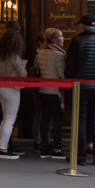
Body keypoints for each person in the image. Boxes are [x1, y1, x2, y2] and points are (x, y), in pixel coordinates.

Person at [65, 14, 95, 167]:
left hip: (81, 86)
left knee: (80, 120)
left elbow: (70, 68)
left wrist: (69, 82)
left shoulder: (77, 42)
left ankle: (80, 156)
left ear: (82, 27)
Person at [0, 27, 27, 159]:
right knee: (9, 119)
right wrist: (23, 67)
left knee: (5, 119)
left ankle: (1, 146)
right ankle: (2, 148)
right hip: (11, 89)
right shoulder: (14, 56)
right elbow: (23, 75)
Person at [34, 28, 66, 159]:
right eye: (61, 37)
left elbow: (37, 68)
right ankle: (57, 147)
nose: (63, 39)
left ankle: (44, 147)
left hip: (43, 90)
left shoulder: (41, 53)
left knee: (45, 118)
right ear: (54, 40)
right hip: (56, 91)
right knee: (57, 120)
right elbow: (62, 75)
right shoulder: (58, 55)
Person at [29, 32, 47, 151]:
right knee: (40, 113)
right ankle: (38, 140)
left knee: (42, 113)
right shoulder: (36, 55)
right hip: (38, 88)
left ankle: (41, 139)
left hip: (42, 87)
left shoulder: (41, 54)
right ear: (40, 43)